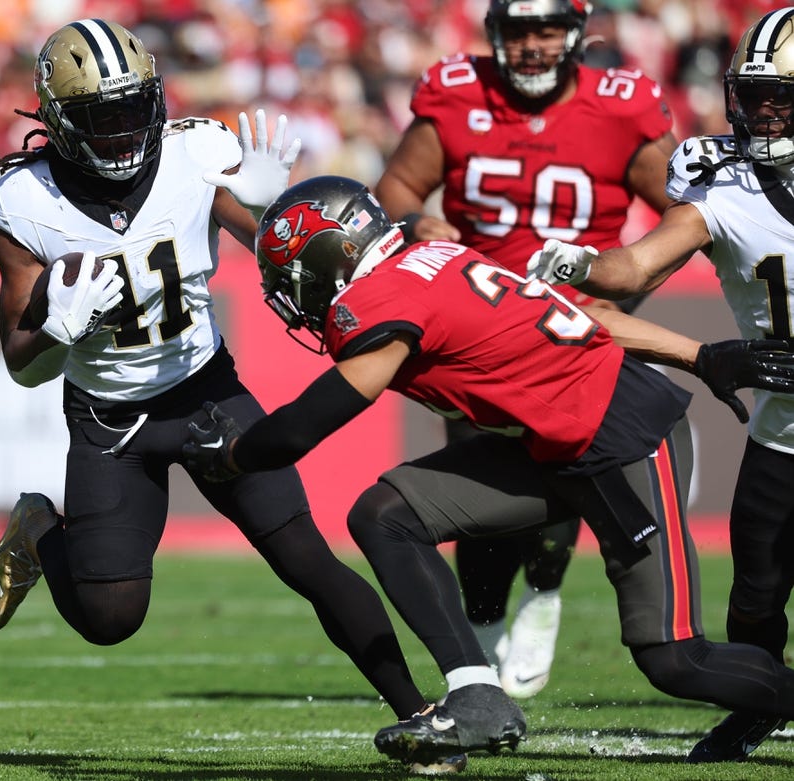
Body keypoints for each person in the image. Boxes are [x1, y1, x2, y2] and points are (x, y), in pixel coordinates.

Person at [182, 174, 794, 767]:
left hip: (620, 440)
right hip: (552, 444)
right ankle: (476, 694)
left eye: (300, 277)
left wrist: (234, 455)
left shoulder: (383, 297)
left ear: (338, 257)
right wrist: (696, 354)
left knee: (675, 660)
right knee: (385, 515)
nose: (300, 294)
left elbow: (305, 424)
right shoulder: (432, 257)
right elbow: (583, 318)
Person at [0, 17, 435, 755]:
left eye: (134, 108)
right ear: (59, 122)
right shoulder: (23, 203)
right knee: (110, 617)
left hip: (205, 391)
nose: (125, 132)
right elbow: (20, 362)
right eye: (104, 117)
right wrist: (54, 329)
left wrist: (278, 207)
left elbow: (274, 248)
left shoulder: (196, 152)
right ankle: (38, 528)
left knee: (307, 558)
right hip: (109, 420)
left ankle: (420, 714)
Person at [374, 0, 678, 699]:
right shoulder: (455, 93)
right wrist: (419, 219)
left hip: (569, 325)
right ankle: (481, 622)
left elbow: (686, 216)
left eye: (546, 30)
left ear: (575, 35)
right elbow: (397, 183)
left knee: (566, 463)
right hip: (475, 322)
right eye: (518, 31)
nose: (533, 46)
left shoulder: (619, 105)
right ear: (495, 35)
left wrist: (625, 289)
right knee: (476, 475)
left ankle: (542, 592)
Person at [526, 5, 794, 763]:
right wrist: (578, 261)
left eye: (785, 96)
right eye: (758, 93)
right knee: (756, 596)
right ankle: (759, 709)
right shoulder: (730, 187)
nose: (765, 111)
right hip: (779, 432)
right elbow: (636, 265)